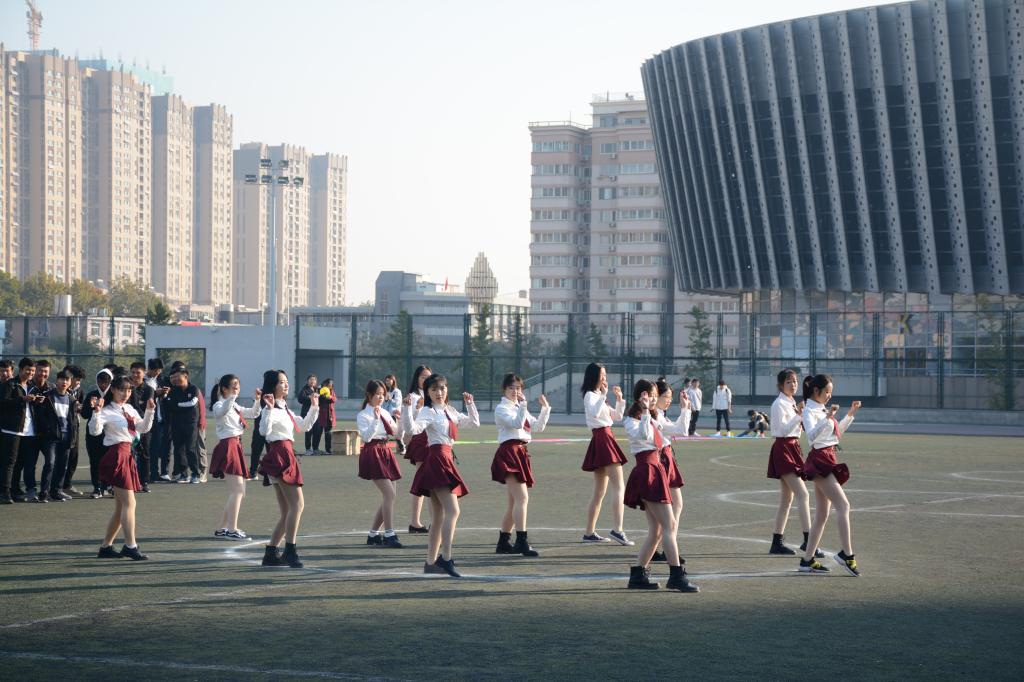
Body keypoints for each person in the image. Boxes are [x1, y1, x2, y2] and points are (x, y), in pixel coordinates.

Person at [622, 380, 698, 593]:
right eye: (649, 395)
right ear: (640, 396)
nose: (653, 399)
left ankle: (638, 575)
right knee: (669, 525)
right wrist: (646, 412)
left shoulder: (656, 417)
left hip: (656, 470)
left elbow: (680, 430)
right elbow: (644, 435)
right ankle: (676, 575)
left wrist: (685, 409)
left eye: (655, 395)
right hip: (646, 470)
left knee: (657, 530)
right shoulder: (631, 420)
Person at [402, 374, 479, 578]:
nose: (439, 392)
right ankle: (445, 559)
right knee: (453, 511)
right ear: (427, 392)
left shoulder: (450, 410)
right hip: (437, 460)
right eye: (434, 389)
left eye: (442, 388)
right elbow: (412, 429)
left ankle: (430, 563)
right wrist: (407, 409)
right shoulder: (428, 411)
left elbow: (474, 423)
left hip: (445, 459)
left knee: (438, 517)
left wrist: (470, 404)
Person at [799, 374, 862, 576]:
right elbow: (811, 436)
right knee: (843, 505)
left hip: (828, 457)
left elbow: (836, 434)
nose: (829, 395)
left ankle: (807, 561)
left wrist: (850, 414)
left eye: (831, 392)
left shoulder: (821, 409)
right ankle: (847, 555)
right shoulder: (809, 410)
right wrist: (827, 418)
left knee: (822, 515)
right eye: (827, 392)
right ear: (816, 391)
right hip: (820, 460)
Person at [258, 369, 319, 568]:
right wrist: (268, 409)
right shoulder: (270, 408)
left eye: (286, 382)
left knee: (287, 511)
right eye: (281, 382)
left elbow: (303, 426)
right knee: (297, 505)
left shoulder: (285, 408)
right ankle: (290, 551)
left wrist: (314, 407)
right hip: (279, 455)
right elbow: (264, 431)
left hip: (284, 454)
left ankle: (271, 553)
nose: (286, 385)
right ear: (272, 386)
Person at [90, 375, 156, 561]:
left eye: (128, 390)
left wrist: (149, 411)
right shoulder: (106, 410)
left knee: (121, 507)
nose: (125, 393)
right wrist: (96, 412)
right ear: (113, 390)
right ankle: (130, 546)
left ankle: (106, 547)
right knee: (130, 503)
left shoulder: (130, 408)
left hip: (127, 454)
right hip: (116, 455)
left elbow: (143, 428)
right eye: (121, 390)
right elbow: (94, 431)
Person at [492, 373, 550, 558]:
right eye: (511, 388)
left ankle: (503, 542)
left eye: (518, 388)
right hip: (509, 453)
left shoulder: (519, 407)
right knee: (522, 498)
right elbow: (516, 423)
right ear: (504, 389)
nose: (515, 391)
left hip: (520, 453)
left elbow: (538, 427)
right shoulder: (502, 408)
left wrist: (545, 408)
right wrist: (524, 405)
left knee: (514, 502)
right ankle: (521, 541)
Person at [579, 362, 631, 545]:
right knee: (618, 487)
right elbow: (594, 413)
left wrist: (619, 398)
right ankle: (618, 530)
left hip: (605, 437)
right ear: (594, 376)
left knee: (600, 492)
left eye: (605, 374)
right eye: (602, 374)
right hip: (602, 439)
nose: (604, 378)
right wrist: (603, 395)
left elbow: (617, 417)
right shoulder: (590, 395)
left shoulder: (599, 396)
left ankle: (589, 533)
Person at [210, 374, 263, 540]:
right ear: (224, 389)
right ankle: (232, 529)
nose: (237, 388)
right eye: (233, 385)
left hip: (236, 445)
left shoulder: (234, 405)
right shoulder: (220, 404)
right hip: (228, 446)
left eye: (238, 385)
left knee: (240, 491)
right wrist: (232, 397)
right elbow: (222, 411)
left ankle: (222, 528)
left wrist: (257, 400)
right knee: (237, 491)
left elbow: (253, 413)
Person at [357, 379, 404, 548]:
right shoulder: (363, 415)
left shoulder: (385, 412)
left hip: (386, 451)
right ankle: (389, 534)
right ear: (369, 395)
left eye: (383, 394)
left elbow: (396, 433)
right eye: (377, 394)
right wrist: (376, 420)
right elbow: (366, 437)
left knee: (389, 496)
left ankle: (373, 534)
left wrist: (400, 419)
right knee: (390, 495)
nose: (381, 397)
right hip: (373, 452)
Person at [650, 377, 691, 563]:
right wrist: (685, 409)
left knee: (673, 505)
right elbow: (681, 430)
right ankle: (667, 547)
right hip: (662, 460)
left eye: (670, 397)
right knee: (671, 506)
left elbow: (680, 429)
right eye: (665, 396)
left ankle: (664, 546)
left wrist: (685, 409)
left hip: (666, 459)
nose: (668, 400)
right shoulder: (656, 416)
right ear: (656, 396)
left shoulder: (660, 415)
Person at [0, 358, 36, 504]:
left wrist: (36, 400)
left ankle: (15, 490)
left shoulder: (32, 386)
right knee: (9, 462)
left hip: (28, 431)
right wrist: (23, 399)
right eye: (28, 370)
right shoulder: (9, 384)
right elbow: (3, 403)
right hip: (11, 430)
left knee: (20, 462)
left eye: (32, 370)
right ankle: (4, 492)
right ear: (20, 370)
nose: (30, 373)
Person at [402, 365, 432, 534]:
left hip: (434, 440)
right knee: (421, 481)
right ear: (417, 379)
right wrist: (418, 408)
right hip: (421, 440)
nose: (426, 380)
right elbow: (409, 422)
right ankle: (415, 522)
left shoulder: (432, 393)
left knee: (433, 482)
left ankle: (430, 521)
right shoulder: (413, 397)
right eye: (423, 377)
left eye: (429, 377)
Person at [19, 359, 53, 501]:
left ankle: (45, 491)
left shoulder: (51, 389)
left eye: (45, 371)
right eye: (39, 370)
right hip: (31, 432)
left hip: (47, 434)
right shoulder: (27, 387)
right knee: (29, 463)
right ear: (35, 371)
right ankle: (31, 489)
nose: (42, 374)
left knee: (50, 462)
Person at [81, 368, 114, 498]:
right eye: (100, 382)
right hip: (93, 434)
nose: (103, 385)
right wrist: (92, 407)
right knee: (95, 461)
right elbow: (84, 415)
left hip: (111, 433)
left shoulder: (114, 394)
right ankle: (97, 487)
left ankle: (110, 485)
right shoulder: (92, 395)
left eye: (106, 382)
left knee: (111, 461)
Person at [167, 367, 202, 484]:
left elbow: (192, 403)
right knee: (178, 449)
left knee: (190, 448)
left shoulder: (194, 389)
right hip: (176, 423)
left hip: (191, 423)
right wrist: (179, 405)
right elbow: (170, 406)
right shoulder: (173, 390)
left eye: (178, 376)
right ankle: (183, 474)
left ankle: (196, 474)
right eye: (173, 377)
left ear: (186, 376)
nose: (175, 379)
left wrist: (177, 405)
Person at [126, 362, 155, 493]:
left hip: (143, 425)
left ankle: (144, 482)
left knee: (144, 454)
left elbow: (146, 408)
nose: (135, 375)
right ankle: (130, 481)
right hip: (127, 427)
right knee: (129, 454)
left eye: (138, 372)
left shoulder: (149, 389)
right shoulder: (126, 387)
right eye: (133, 372)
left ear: (144, 373)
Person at [59, 364, 87, 496]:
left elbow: (80, 409)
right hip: (60, 428)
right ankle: (55, 486)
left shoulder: (79, 390)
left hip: (74, 427)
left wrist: (81, 407)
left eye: (80, 381)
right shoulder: (58, 390)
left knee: (73, 457)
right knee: (59, 458)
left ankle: (67, 484)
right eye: (77, 380)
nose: (78, 383)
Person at [310, 379, 336, 455]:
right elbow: (316, 400)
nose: (329, 387)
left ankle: (328, 450)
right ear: (324, 384)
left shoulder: (331, 391)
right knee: (318, 432)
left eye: (330, 385)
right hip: (320, 415)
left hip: (329, 416)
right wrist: (321, 396)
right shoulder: (319, 390)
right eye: (328, 385)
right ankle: (315, 449)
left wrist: (330, 397)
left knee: (328, 433)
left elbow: (334, 399)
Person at [297, 374, 318, 456]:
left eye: (314, 380)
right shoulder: (304, 389)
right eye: (311, 379)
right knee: (309, 431)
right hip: (307, 413)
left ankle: (315, 448)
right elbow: (300, 399)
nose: (312, 381)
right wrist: (310, 397)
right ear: (307, 381)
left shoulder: (317, 389)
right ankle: (308, 449)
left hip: (316, 413)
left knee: (316, 431)